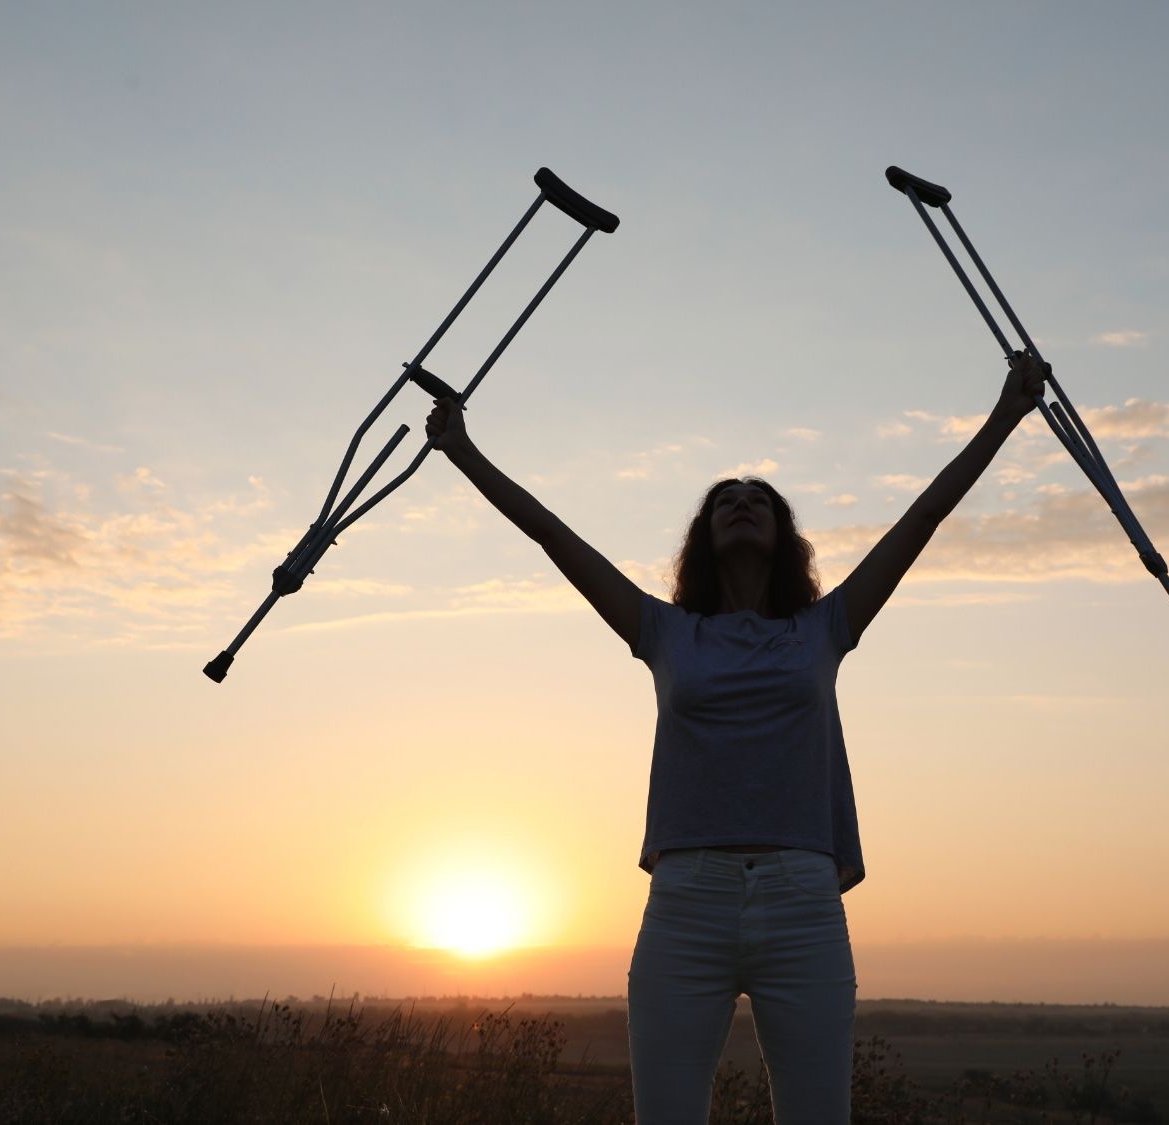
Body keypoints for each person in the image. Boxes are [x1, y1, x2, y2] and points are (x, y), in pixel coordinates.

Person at [425, 349, 1050, 1124]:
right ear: (703, 535)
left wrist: (1006, 414)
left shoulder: (824, 628)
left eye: (760, 498)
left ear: (784, 533)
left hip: (802, 901)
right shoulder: (664, 629)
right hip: (687, 903)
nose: (742, 501)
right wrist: (462, 452)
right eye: (725, 498)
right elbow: (554, 536)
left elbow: (924, 517)